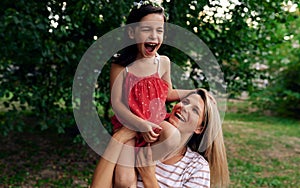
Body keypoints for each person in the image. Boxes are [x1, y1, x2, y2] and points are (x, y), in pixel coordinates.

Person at [109, 1, 195, 187]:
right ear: (132, 33)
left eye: (160, 30)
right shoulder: (120, 66)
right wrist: (140, 124)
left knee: (172, 136)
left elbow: (167, 93)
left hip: (155, 122)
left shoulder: (163, 62)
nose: (154, 36)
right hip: (129, 126)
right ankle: (133, 165)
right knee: (124, 182)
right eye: (147, 29)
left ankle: (144, 163)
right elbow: (116, 103)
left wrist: (194, 91)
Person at [91, 89, 230, 188]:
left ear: (199, 128)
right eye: (185, 101)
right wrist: (119, 137)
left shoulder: (196, 168)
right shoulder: (140, 142)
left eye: (195, 110)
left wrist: (149, 177)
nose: (184, 108)